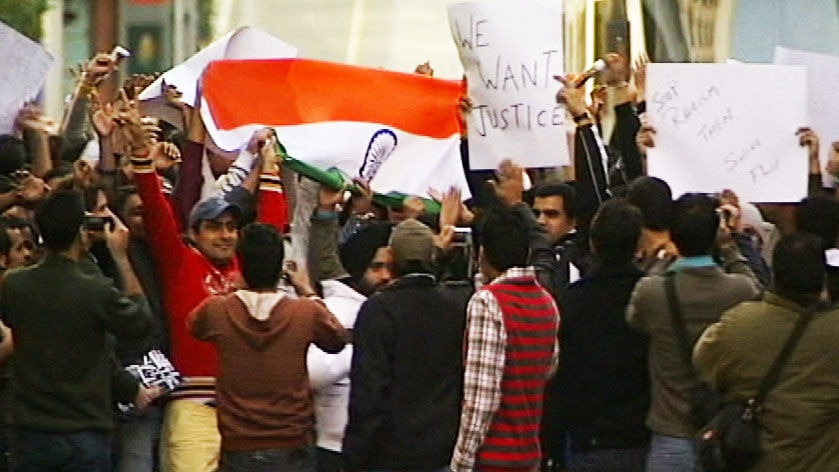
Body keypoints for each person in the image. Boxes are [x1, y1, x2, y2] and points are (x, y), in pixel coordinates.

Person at [130, 129, 287, 471]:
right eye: (214, 227)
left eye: (231, 226)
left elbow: (271, 233)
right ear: (193, 233)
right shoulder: (179, 262)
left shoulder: (247, 266)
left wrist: (270, 168)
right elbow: (157, 212)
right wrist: (142, 157)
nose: (226, 235)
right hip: (192, 410)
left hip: (247, 412)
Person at [0, 190, 153, 471]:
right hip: (84, 429)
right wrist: (120, 257)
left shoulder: (13, 284)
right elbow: (140, 324)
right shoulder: (95, 289)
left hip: (29, 429)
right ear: (81, 232)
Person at [189, 223, 349, 472]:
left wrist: (233, 287)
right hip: (292, 446)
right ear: (280, 266)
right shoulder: (305, 312)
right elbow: (337, 339)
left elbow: (194, 327)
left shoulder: (218, 310)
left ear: (241, 263)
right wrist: (307, 291)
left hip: (238, 445)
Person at [626, 193, 760, 471]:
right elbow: (757, 286)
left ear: (673, 234)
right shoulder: (739, 290)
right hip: (724, 431)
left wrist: (663, 257)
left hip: (670, 432)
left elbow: (634, 320)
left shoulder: (652, 292)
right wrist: (730, 245)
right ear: (715, 234)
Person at [694, 233, 839, 471]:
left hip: (756, 458)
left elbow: (702, 361)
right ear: (822, 279)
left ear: (775, 274)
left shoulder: (739, 322)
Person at [343, 218, 468, 472]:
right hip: (440, 452)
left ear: (391, 257)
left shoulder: (379, 309)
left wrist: (355, 456)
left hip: (388, 455)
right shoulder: (455, 307)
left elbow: (369, 392)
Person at [450, 207, 559, 472]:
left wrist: (461, 463)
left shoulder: (487, 303)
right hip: (528, 453)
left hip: (492, 459)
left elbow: (482, 398)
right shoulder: (546, 302)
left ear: (482, 253)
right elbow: (548, 368)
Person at [552, 199, 650, 471]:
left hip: (587, 437)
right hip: (641, 434)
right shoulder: (650, 295)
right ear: (638, 245)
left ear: (593, 243)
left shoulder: (572, 300)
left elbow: (561, 373)